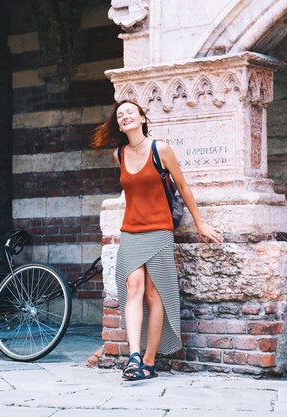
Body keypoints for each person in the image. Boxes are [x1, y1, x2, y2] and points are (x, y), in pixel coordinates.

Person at [92, 100, 223, 380]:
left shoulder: (159, 149)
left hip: (159, 230)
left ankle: (149, 363)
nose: (125, 116)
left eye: (130, 112)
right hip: (130, 230)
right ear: (119, 124)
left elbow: (183, 186)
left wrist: (200, 223)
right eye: (120, 115)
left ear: (142, 118)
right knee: (133, 287)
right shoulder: (119, 154)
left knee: (154, 295)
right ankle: (134, 356)